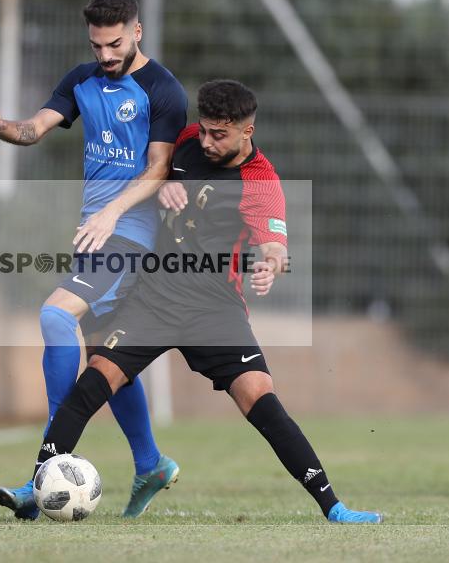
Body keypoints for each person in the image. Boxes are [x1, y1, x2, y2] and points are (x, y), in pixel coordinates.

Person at [23, 79, 383, 523]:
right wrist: (162, 187)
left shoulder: (260, 182)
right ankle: (37, 489)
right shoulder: (190, 140)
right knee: (94, 381)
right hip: (154, 298)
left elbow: (274, 242)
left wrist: (272, 262)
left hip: (214, 309)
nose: (207, 141)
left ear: (246, 132)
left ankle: (334, 507)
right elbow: (152, 174)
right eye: (205, 129)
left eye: (220, 134)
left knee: (261, 399)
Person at [0, 0, 187, 519]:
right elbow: (34, 129)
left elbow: (157, 171)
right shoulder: (81, 79)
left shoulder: (163, 90)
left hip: (131, 236)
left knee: (54, 316)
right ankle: (151, 462)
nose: (105, 55)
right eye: (96, 45)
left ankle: (44, 470)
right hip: (97, 234)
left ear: (136, 32)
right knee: (105, 359)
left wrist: (111, 212)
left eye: (114, 44)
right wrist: (2, 128)